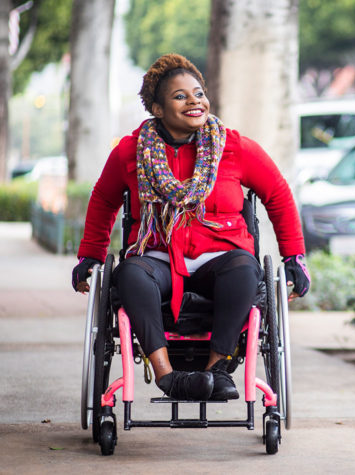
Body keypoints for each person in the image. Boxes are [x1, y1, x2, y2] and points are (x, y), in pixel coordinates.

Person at [72, 53, 310, 402]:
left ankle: (217, 370)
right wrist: (90, 257)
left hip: (223, 258)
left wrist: (294, 257)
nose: (194, 101)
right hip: (159, 257)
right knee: (130, 275)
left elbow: (278, 194)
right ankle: (169, 377)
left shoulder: (234, 147)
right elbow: (104, 201)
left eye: (198, 93)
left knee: (247, 271)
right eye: (180, 96)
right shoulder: (130, 152)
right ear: (157, 109)